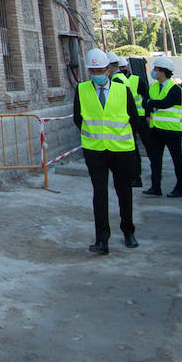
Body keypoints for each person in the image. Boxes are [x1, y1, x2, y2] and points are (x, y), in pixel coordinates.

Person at [74, 47, 141, 254]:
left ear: (108, 69)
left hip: (121, 150)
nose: (97, 75)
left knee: (124, 192)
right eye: (93, 72)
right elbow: (78, 118)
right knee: (99, 194)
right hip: (95, 151)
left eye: (100, 71)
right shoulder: (82, 89)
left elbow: (134, 118)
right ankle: (102, 239)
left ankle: (128, 231)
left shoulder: (122, 89)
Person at [142, 57, 182, 198]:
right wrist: (150, 104)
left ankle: (180, 188)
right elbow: (145, 103)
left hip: (172, 130)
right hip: (156, 130)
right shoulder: (153, 86)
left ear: (163, 71)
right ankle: (155, 187)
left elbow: (166, 103)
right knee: (155, 160)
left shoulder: (175, 89)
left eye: (156, 70)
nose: (154, 72)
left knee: (177, 160)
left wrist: (151, 103)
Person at [110, 53, 145, 188]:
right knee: (133, 150)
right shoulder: (121, 78)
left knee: (132, 151)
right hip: (129, 119)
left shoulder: (117, 80)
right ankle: (135, 176)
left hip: (125, 120)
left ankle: (135, 177)